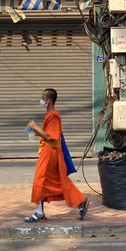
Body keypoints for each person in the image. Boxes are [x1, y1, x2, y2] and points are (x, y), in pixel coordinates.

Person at [25, 88, 89, 222]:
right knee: (54, 182)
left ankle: (39, 213)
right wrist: (36, 131)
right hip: (48, 152)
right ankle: (79, 202)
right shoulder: (50, 115)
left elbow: (51, 137)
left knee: (40, 180)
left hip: (50, 154)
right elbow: (47, 134)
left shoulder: (53, 115)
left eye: (43, 98)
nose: (41, 100)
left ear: (48, 101)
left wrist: (36, 127)